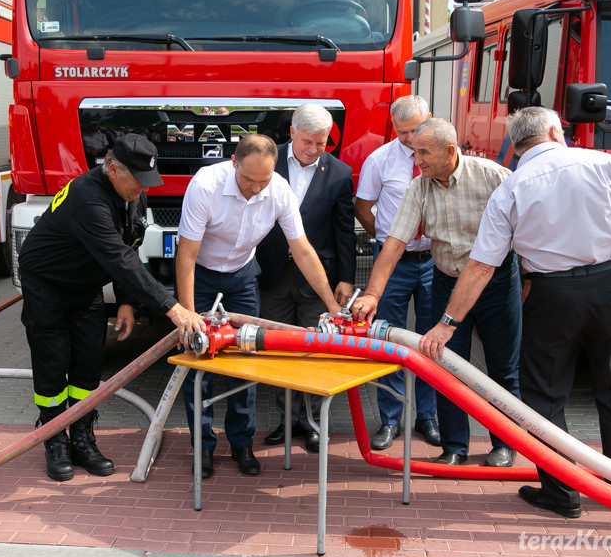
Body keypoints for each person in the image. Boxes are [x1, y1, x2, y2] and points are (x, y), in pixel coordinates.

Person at [420, 107, 611, 518]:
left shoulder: (510, 189)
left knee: (545, 394)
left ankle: (561, 492)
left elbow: (482, 265)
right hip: (610, 285)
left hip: (552, 295)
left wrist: (448, 322)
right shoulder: (601, 162)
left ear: (517, 146)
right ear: (556, 131)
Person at [18, 133, 206, 482]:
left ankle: (83, 439)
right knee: (52, 361)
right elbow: (119, 259)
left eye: (147, 180)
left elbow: (129, 245)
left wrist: (125, 302)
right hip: (48, 285)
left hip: (85, 284)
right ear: (112, 169)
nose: (142, 188)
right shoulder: (89, 200)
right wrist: (173, 308)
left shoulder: (131, 191)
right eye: (138, 180)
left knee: (88, 362)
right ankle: (55, 439)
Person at [351, 118, 521, 468]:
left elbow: (528, 229)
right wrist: (372, 294)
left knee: (503, 367)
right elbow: (394, 244)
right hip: (448, 282)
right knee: (445, 365)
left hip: (497, 283)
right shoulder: (419, 187)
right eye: (414, 152)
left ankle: (505, 444)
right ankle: (455, 446)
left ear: (449, 150)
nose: (417, 160)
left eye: (424, 152)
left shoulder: (493, 176)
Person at [176, 133, 341, 478]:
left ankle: (242, 444)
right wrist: (188, 315)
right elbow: (187, 255)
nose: (254, 188)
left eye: (262, 181)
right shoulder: (205, 185)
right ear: (234, 163)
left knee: (246, 359)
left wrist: (331, 303)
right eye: (248, 180)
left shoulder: (279, 189)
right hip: (203, 274)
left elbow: (304, 251)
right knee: (199, 360)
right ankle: (202, 448)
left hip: (242, 276)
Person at [256, 103, 356, 453]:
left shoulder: (340, 174)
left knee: (313, 351)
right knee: (280, 350)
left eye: (322, 142)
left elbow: (344, 230)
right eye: (307, 141)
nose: (314, 149)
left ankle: (312, 422)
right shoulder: (267, 160)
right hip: (272, 271)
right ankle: (285, 421)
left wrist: (346, 277)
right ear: (292, 133)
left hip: (317, 277)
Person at [354, 95, 440, 451]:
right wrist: (389, 242)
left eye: (415, 130)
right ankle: (390, 419)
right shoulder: (380, 160)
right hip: (395, 265)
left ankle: (429, 417)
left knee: (432, 342)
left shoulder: (444, 155)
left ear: (430, 119)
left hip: (435, 261)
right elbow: (362, 206)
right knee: (386, 340)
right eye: (401, 132)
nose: (408, 139)